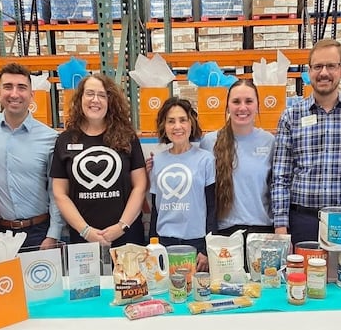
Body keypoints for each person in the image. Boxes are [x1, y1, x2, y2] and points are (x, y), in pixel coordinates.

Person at [271, 38, 341, 244]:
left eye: (331, 66)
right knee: (301, 276)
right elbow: (281, 175)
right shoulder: (291, 116)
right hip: (303, 221)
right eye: (317, 66)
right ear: (309, 71)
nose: (324, 73)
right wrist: (280, 224)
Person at [0, 62, 63, 250]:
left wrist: (53, 234)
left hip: (38, 232)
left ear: (32, 95)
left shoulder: (50, 138)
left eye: (22, 88)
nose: (15, 94)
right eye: (8, 87)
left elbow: (55, 191)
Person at [50, 74, 147, 247]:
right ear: (80, 98)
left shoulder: (127, 137)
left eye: (102, 95)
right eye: (90, 93)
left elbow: (139, 186)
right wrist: (86, 231)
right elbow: (60, 193)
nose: (95, 100)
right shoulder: (65, 140)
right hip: (83, 239)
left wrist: (121, 226)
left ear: (110, 101)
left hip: (127, 236)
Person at [199, 79, 275, 239]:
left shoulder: (269, 141)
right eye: (236, 101)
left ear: (257, 105)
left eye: (248, 101)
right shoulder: (209, 142)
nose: (242, 107)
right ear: (227, 106)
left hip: (263, 233)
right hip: (224, 235)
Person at [150, 97, 217, 271]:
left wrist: (206, 249)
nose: (177, 126)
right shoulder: (157, 161)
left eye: (183, 120)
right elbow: (156, 209)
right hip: (164, 242)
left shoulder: (206, 159)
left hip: (196, 243)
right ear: (164, 127)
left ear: (191, 124)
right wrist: (152, 246)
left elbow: (212, 208)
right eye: (171, 121)